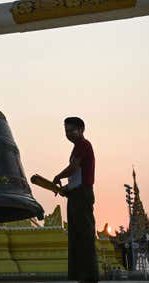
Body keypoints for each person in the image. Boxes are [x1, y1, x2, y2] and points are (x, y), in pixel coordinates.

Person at [53, 116, 99, 283]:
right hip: (75, 194)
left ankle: (89, 276)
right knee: (76, 236)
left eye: (72, 130)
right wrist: (66, 188)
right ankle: (82, 275)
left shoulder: (83, 145)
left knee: (85, 235)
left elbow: (73, 169)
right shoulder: (76, 148)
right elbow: (76, 176)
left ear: (81, 130)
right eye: (66, 131)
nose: (69, 134)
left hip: (83, 195)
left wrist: (58, 176)